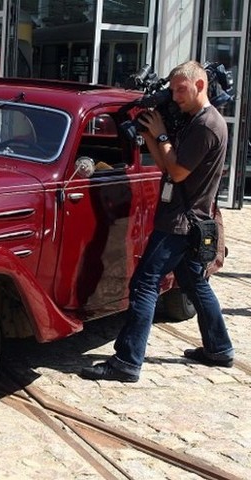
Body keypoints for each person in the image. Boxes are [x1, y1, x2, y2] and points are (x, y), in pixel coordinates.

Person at [80, 60, 235, 383]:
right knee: (195, 282)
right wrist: (151, 134)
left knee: (145, 283)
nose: (175, 96)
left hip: (181, 221)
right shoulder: (199, 121)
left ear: (200, 85)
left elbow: (177, 173)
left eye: (180, 89)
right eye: (173, 89)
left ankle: (127, 361)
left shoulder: (206, 125)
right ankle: (219, 348)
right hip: (189, 217)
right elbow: (168, 166)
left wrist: (161, 132)